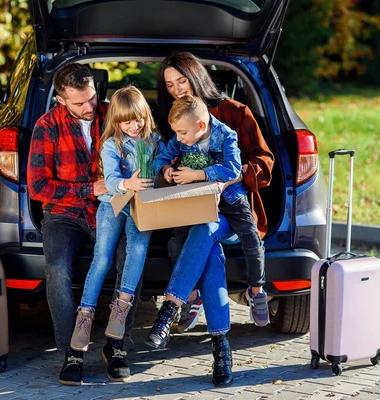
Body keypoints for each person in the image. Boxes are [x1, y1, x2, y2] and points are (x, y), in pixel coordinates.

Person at [27, 63, 131, 386]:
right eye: (79, 103)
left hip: (109, 209)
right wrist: (89, 189)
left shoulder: (110, 113)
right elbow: (39, 187)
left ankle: (115, 345)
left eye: (91, 98)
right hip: (64, 214)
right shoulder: (46, 127)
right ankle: (71, 352)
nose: (89, 107)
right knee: (57, 270)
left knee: (130, 257)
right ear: (61, 100)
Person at [157, 52, 274, 330]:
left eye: (181, 81)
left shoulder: (234, 114)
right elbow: (168, 155)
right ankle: (205, 316)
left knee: (206, 231)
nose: (176, 89)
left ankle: (180, 306)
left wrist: (229, 179)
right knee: (199, 242)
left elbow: (264, 162)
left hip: (229, 206)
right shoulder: (174, 120)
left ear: (195, 76)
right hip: (192, 206)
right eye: (169, 85)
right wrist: (167, 170)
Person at [145, 95, 244, 386]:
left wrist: (198, 174)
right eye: (176, 133)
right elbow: (162, 157)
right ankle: (221, 349)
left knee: (207, 228)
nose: (179, 139)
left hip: (229, 215)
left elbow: (233, 169)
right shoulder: (182, 137)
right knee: (211, 254)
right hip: (197, 214)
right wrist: (164, 170)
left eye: (183, 134)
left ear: (201, 124)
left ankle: (169, 310)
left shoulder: (226, 135)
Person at [69, 86, 164, 382]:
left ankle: (119, 313)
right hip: (113, 205)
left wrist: (166, 173)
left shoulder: (155, 141)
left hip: (143, 208)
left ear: (144, 115)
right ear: (117, 122)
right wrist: (128, 183)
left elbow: (162, 168)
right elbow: (109, 180)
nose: (133, 126)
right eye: (126, 122)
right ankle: (84, 319)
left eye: (137, 119)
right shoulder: (112, 145)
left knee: (137, 250)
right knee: (102, 258)